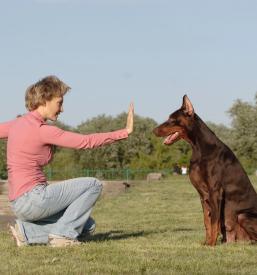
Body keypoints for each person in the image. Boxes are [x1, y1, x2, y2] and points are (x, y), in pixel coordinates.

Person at [0, 75, 134, 247]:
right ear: (45, 100)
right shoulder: (42, 130)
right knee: (93, 184)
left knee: (87, 226)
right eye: (59, 103)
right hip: (34, 199)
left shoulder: (16, 124)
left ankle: (26, 233)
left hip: (19, 204)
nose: (62, 109)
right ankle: (62, 236)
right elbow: (86, 141)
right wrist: (124, 132)